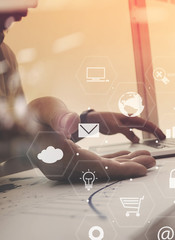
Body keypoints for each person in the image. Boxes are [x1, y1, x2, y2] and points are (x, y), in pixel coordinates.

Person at [0, 1, 166, 181]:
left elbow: (26, 144)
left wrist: (90, 124)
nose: (30, 7)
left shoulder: (5, 55)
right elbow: (34, 143)